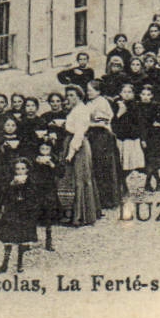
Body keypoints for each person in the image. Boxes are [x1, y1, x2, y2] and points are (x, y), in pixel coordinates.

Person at [59, 87, 100, 226]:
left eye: (72, 95)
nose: (69, 98)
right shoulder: (75, 109)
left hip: (78, 146)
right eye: (68, 95)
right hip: (72, 143)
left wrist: (71, 153)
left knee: (80, 177)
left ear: (79, 96)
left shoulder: (81, 110)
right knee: (73, 178)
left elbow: (79, 133)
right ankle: (75, 213)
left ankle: (80, 215)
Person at [0, 159, 39, 274]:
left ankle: (20, 263)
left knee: (22, 238)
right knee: (8, 238)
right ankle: (5, 264)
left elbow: (35, 196)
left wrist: (26, 188)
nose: (20, 171)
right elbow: (2, 195)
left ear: (27, 170)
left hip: (25, 212)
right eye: (17, 169)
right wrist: (11, 186)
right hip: (12, 211)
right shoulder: (9, 181)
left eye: (23, 169)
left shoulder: (31, 181)